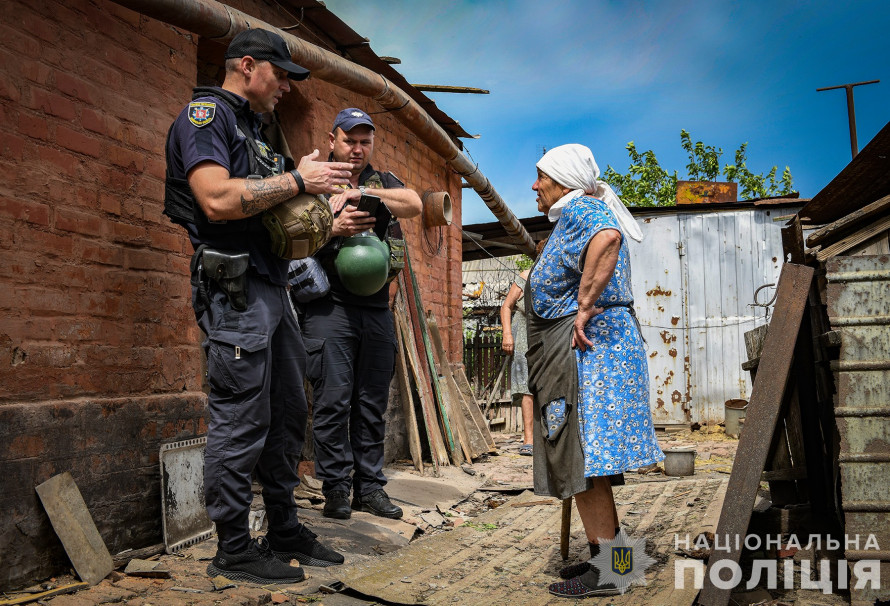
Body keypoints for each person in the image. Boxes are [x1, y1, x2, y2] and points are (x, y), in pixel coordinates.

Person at [164, 28, 355, 584]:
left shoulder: (256, 130)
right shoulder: (206, 118)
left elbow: (274, 213)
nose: (289, 90)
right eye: (282, 76)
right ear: (248, 66)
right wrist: (298, 177)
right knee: (240, 415)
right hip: (235, 291)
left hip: (274, 288)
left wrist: (318, 206)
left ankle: (284, 527)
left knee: (289, 413)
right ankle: (232, 546)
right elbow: (218, 199)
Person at [523, 144, 664, 598]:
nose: (534, 186)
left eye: (540, 177)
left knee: (580, 459)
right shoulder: (580, 210)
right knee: (589, 464)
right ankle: (614, 561)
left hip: (590, 355)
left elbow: (608, 238)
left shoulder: (584, 209)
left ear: (562, 180)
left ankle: (612, 572)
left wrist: (583, 307)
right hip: (593, 352)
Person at [302, 108, 422, 521]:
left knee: (372, 403)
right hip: (327, 306)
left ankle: (369, 488)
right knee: (333, 400)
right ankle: (335, 488)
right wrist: (331, 224)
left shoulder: (382, 182)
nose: (357, 148)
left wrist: (363, 196)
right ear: (332, 139)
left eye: (364, 141)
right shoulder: (314, 180)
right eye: (349, 140)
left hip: (375, 310)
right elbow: (288, 233)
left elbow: (414, 203)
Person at [500, 268, 534, 455]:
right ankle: (529, 439)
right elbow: (506, 306)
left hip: (547, 332)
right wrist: (507, 334)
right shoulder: (526, 275)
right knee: (526, 385)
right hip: (523, 332)